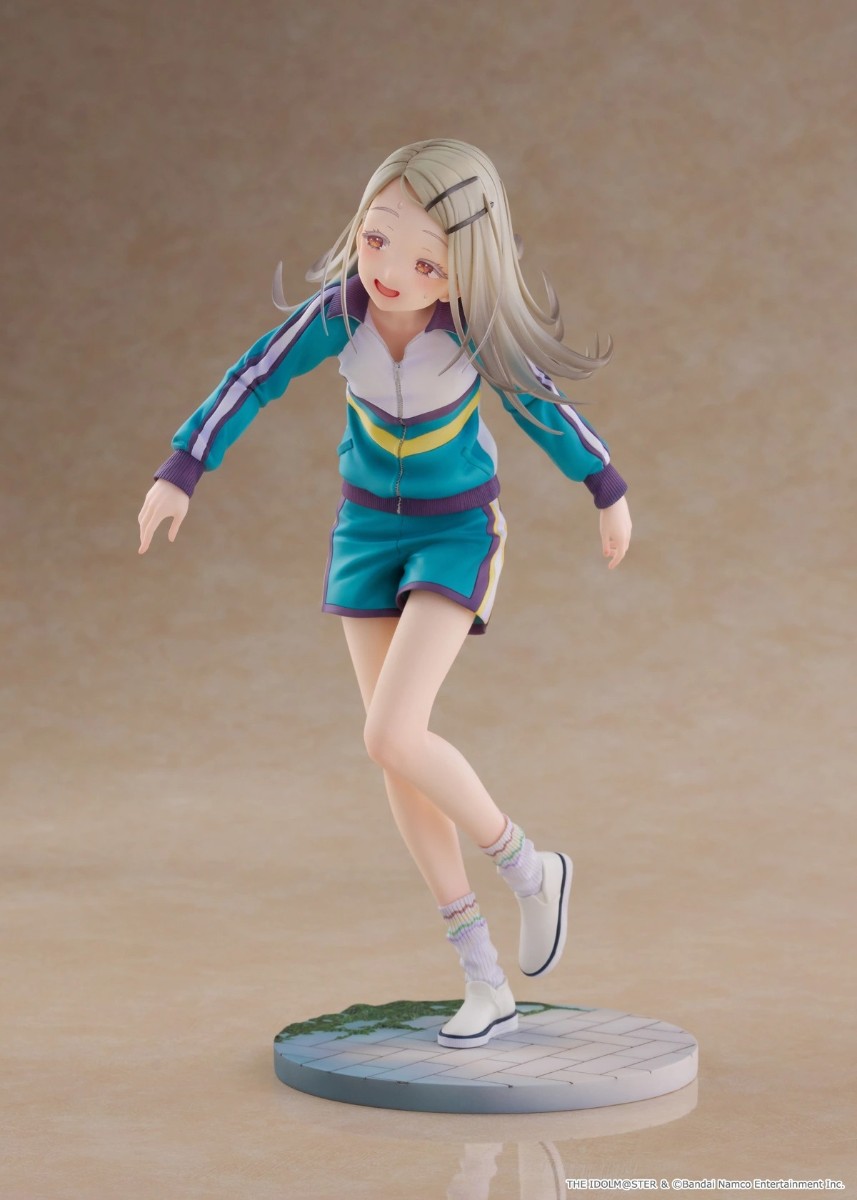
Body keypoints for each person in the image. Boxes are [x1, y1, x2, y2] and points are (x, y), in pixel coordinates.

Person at [138, 138, 632, 1050]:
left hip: (456, 533)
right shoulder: (340, 313)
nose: (393, 273)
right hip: (364, 536)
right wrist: (184, 466)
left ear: (465, 268)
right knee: (394, 759)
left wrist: (604, 486)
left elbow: (540, 403)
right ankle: (482, 977)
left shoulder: (473, 331)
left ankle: (530, 870)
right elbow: (253, 377)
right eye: (376, 241)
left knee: (392, 733)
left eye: (427, 263)